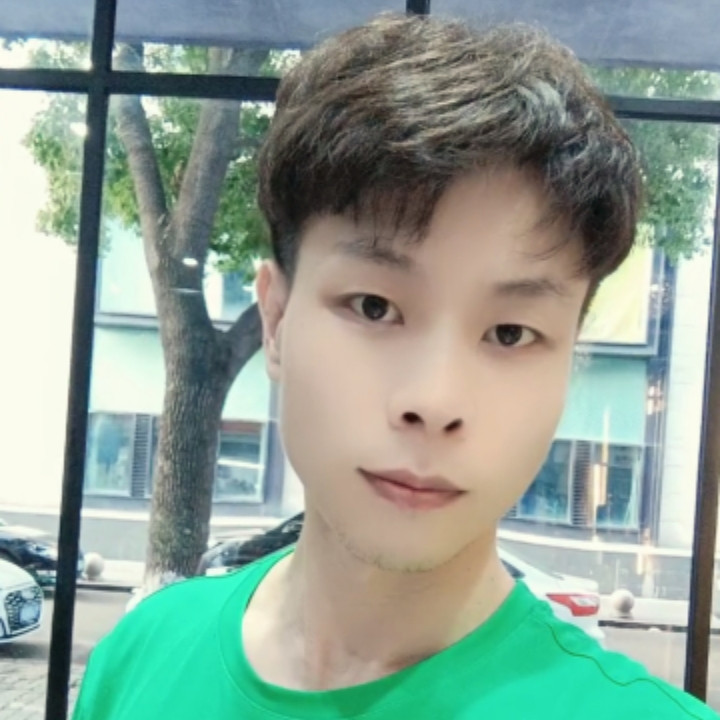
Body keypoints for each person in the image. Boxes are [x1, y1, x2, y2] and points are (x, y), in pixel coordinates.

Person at [72, 12, 719, 719]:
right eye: (375, 307)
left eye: (510, 333)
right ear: (277, 320)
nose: (435, 401)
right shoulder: (143, 655)